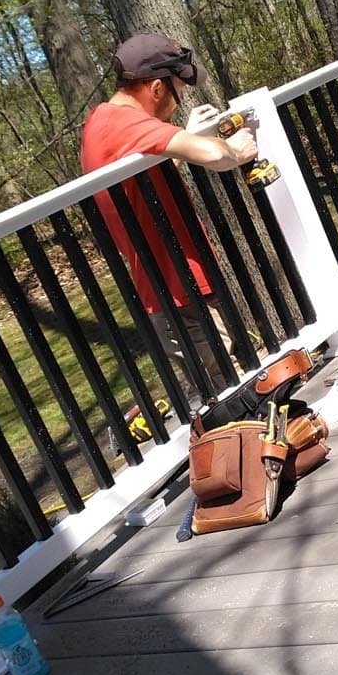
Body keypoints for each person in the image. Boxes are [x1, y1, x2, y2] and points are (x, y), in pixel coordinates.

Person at [81, 32, 258, 409]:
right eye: (178, 91)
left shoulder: (103, 122)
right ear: (157, 88)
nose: (177, 104)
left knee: (230, 387)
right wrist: (238, 149)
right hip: (181, 290)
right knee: (236, 393)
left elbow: (145, 183)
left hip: (173, 289)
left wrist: (185, 134)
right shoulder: (125, 123)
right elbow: (215, 155)